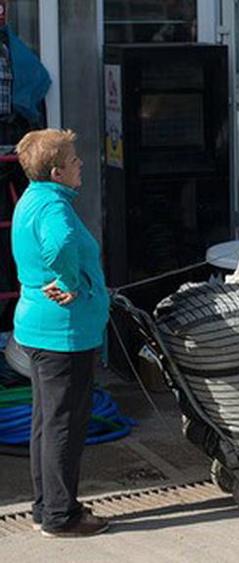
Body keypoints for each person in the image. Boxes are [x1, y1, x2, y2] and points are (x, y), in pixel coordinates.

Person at [11, 129, 110, 537]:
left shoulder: (32, 197)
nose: (81, 165)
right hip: (63, 334)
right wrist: (71, 281)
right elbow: (59, 246)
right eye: (74, 161)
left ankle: (45, 507)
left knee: (46, 423)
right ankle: (61, 516)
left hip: (37, 329)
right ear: (56, 172)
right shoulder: (54, 207)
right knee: (64, 425)